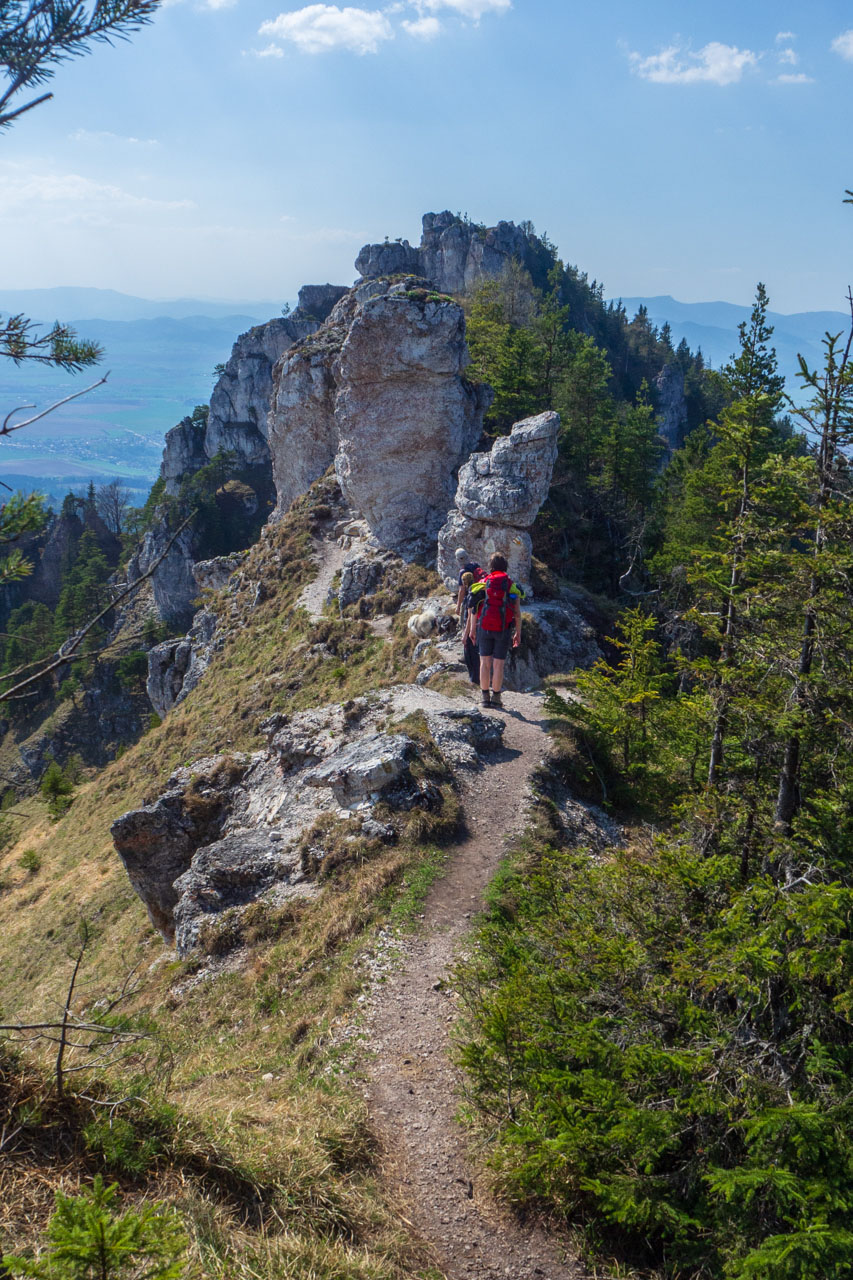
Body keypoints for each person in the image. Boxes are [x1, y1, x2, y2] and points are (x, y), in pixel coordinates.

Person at [473, 553, 522, 709]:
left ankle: (484, 698)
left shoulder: (484, 582)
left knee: (484, 663)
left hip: (484, 627)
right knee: (498, 664)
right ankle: (496, 698)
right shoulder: (511, 585)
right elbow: (517, 613)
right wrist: (518, 632)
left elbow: (474, 605)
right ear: (505, 566)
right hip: (503, 628)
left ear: (491, 566)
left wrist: (472, 628)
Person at [454, 546, 482, 616]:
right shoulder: (475, 565)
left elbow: (462, 590)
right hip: (480, 595)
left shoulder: (463, 572)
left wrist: (458, 607)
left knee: (468, 618)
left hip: (470, 597)